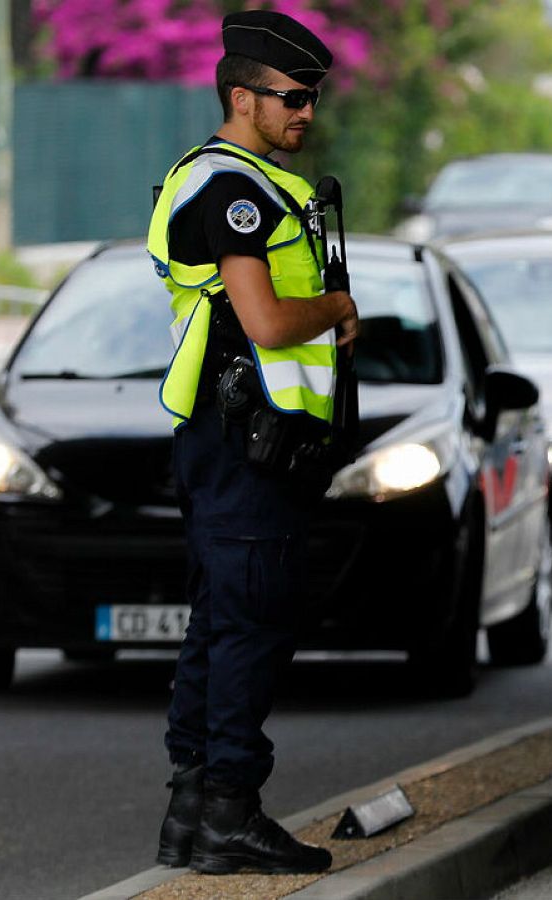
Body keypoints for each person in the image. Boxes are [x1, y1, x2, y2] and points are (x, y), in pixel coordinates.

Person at [146, 10, 358, 875]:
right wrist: (338, 310)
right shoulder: (230, 188)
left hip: (240, 441)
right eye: (293, 97)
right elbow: (267, 321)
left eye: (314, 97)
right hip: (244, 444)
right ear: (243, 96)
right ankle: (229, 808)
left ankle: (193, 813)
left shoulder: (256, 183)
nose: (306, 111)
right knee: (251, 627)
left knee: (222, 623)